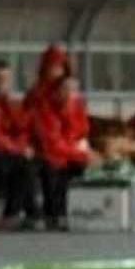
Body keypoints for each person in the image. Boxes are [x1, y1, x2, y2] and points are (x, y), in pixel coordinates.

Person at [0, 60, 36, 230]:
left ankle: (14, 213)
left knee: (26, 165)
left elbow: (19, 129)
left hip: (3, 152)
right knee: (7, 168)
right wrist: (18, 149)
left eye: (6, 79)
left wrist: (23, 147)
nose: (2, 83)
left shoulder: (7, 102)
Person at [32, 76, 96, 230]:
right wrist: (80, 153)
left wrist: (84, 152)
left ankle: (76, 211)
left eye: (74, 90)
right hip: (48, 154)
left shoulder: (78, 107)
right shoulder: (46, 110)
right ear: (56, 92)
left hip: (69, 152)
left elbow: (82, 133)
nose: (70, 93)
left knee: (83, 166)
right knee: (52, 167)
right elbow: (53, 144)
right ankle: (53, 215)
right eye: (66, 89)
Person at [24, 43, 70, 112]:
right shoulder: (36, 93)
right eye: (53, 65)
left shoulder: (68, 91)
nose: (56, 70)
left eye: (59, 66)